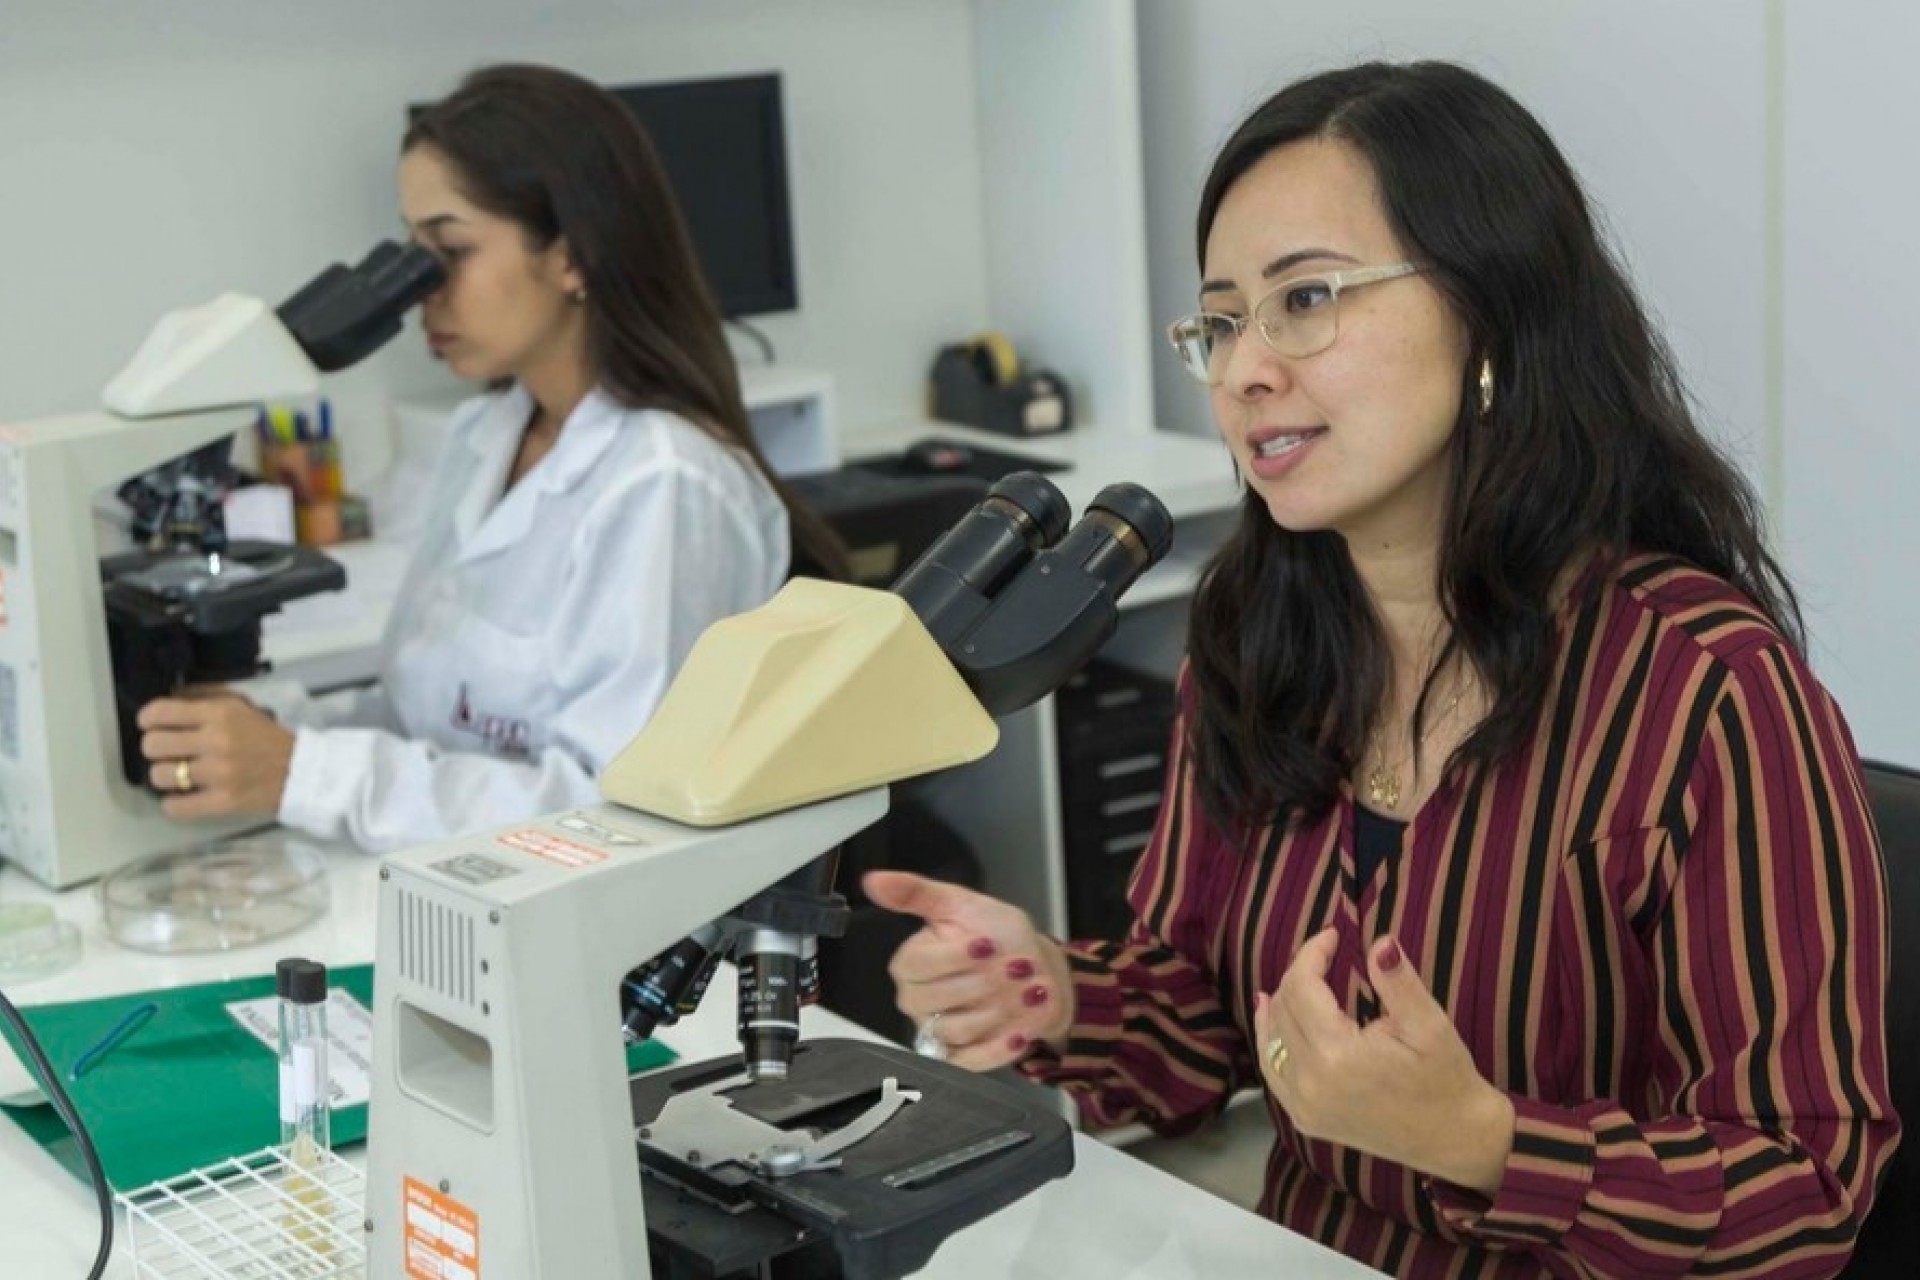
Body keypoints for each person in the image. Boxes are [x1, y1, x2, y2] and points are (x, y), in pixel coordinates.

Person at [867, 61, 1899, 1278]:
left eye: (1307, 298)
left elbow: (1808, 1187)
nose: (1246, 368)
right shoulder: (1255, 635)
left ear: (1490, 316)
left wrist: (1488, 1142)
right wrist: (1058, 992)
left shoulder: (1706, 687)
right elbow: (1206, 1012)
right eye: (1223, 318)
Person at [135, 64, 845, 853]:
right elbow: (424, 717)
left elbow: (614, 814)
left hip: (602, 940)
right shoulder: (486, 437)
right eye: (409, 254)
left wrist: (307, 773)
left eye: (448, 251)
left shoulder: (664, 482)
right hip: (468, 890)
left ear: (571, 257)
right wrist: (265, 734)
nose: (418, 296)